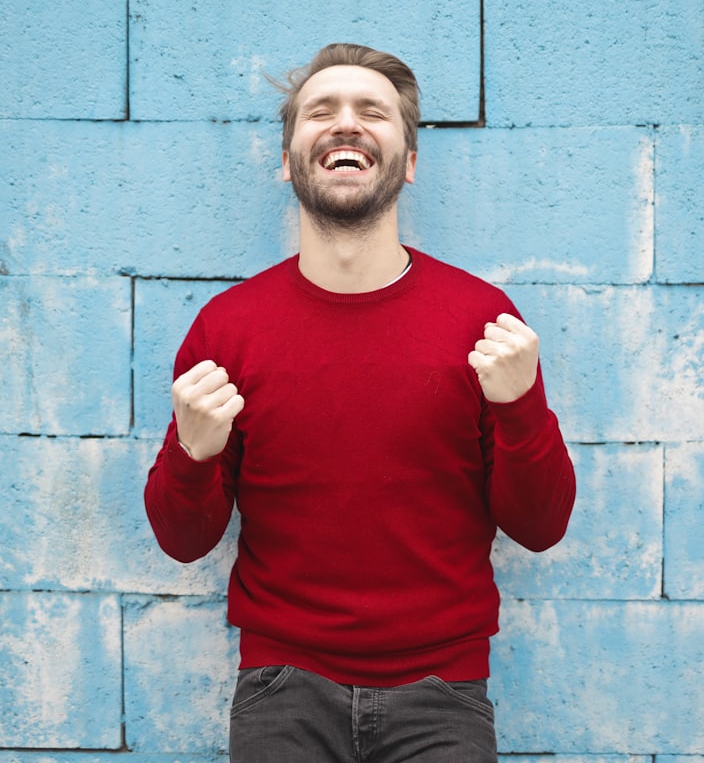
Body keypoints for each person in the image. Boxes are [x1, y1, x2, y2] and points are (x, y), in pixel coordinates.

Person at [144, 43, 576, 763]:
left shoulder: (484, 321)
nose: (346, 124)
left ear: (407, 162)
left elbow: (541, 526)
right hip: (281, 692)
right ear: (289, 159)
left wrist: (522, 407)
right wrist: (193, 453)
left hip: (445, 694)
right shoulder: (227, 329)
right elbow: (183, 540)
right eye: (322, 112)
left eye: (372, 112)